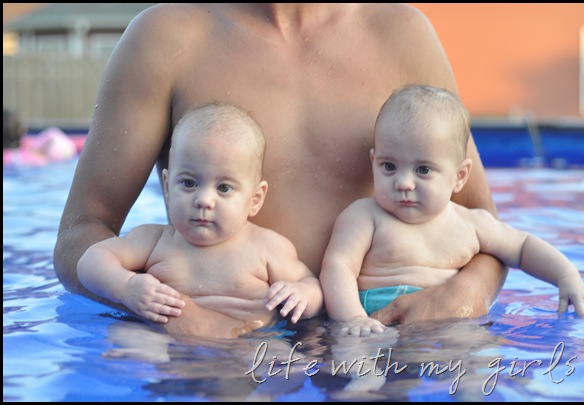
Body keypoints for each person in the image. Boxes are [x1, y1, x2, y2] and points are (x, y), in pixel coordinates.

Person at [54, 4, 507, 338]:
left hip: (386, 335)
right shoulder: (164, 38)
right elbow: (80, 235)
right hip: (216, 349)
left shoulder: (402, 33)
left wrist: (463, 295)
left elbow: (483, 224)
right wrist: (182, 316)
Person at [320, 84, 584, 336]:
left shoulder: (471, 224)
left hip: (448, 329)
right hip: (376, 327)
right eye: (389, 166)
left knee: (478, 351)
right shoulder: (364, 217)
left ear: (459, 176)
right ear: (374, 162)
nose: (403, 182)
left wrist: (566, 276)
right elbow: (338, 266)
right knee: (359, 363)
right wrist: (353, 318)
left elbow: (523, 247)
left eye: (423, 169)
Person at [77, 103, 323, 335]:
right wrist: (125, 287)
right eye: (188, 183)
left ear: (255, 199)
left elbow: (311, 286)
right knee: (128, 335)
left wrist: (301, 293)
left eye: (224, 188)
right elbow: (91, 259)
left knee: (281, 358)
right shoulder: (154, 241)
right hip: (166, 341)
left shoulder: (267, 248)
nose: (204, 200)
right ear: (167, 187)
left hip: (251, 342)